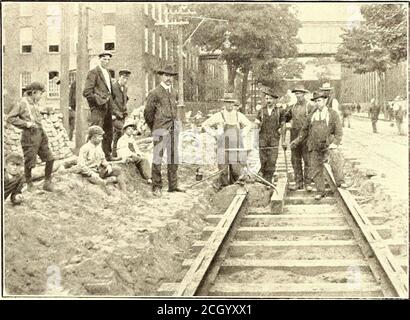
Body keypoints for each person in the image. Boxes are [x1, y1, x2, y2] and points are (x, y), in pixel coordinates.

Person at [290, 91, 345, 201]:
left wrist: (335, 143)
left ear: (325, 101)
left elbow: (339, 132)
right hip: (314, 145)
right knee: (316, 169)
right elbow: (304, 131)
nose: (317, 103)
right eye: (315, 101)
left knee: (336, 159)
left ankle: (340, 182)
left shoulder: (332, 114)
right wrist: (296, 141)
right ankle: (320, 191)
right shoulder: (312, 115)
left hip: (328, 144)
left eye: (319, 101)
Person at [7, 81, 55, 192]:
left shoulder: (35, 103)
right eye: (40, 94)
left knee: (50, 158)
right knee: (30, 162)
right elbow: (10, 118)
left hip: (40, 134)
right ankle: (29, 184)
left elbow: (35, 115)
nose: (41, 96)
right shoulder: (22, 103)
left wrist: (44, 111)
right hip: (30, 135)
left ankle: (47, 182)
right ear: (33, 92)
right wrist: (26, 124)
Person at [144, 64, 183, 197]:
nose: (169, 78)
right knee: (157, 157)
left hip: (173, 129)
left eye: (171, 76)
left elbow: (175, 111)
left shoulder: (175, 92)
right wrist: (155, 127)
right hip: (160, 129)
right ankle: (157, 186)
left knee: (173, 156)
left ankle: (173, 185)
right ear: (161, 76)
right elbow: (148, 113)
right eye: (166, 75)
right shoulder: (154, 93)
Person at [202, 93, 253, 190]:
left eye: (232, 103)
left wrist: (243, 133)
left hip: (236, 147)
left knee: (236, 169)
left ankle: (236, 189)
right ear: (224, 103)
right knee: (223, 170)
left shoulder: (238, 115)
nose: (230, 105)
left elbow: (249, 124)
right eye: (228, 103)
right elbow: (205, 125)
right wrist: (215, 133)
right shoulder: (219, 115)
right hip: (223, 147)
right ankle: (224, 190)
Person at [83, 51, 117, 160]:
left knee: (108, 131)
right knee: (95, 131)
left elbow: (110, 90)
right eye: (104, 59)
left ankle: (107, 155)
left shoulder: (108, 72)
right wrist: (98, 101)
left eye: (108, 59)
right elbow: (87, 92)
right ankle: (89, 157)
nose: (106, 61)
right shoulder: (93, 72)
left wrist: (110, 102)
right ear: (100, 59)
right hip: (98, 107)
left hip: (108, 106)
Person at [284, 85, 315, 191]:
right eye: (296, 93)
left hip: (307, 137)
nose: (298, 95)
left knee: (307, 160)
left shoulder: (310, 106)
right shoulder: (292, 107)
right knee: (295, 160)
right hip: (294, 135)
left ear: (304, 94)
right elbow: (284, 118)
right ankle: (298, 183)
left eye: (300, 93)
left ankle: (308, 183)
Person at [77, 126, 126, 190]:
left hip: (99, 171)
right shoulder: (85, 148)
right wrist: (91, 173)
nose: (102, 138)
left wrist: (108, 165)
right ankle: (109, 180)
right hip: (89, 174)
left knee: (118, 170)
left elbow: (103, 159)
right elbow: (81, 165)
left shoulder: (99, 147)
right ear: (93, 137)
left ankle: (124, 191)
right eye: (100, 137)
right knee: (101, 182)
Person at [254, 87, 286, 186]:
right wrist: (256, 126)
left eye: (270, 99)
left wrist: (283, 140)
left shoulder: (279, 111)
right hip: (263, 138)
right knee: (263, 159)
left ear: (274, 100)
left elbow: (283, 125)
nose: (268, 101)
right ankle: (265, 178)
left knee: (272, 159)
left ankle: (268, 179)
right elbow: (256, 124)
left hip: (274, 138)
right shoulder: (261, 111)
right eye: (267, 99)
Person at [117, 119, 152, 184]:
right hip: (125, 155)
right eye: (129, 129)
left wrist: (139, 153)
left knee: (146, 157)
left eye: (132, 129)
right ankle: (148, 178)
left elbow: (136, 148)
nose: (131, 131)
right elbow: (124, 150)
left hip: (133, 155)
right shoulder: (122, 139)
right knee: (143, 160)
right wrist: (133, 154)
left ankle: (147, 176)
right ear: (125, 130)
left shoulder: (131, 139)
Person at [111, 69, 131, 158]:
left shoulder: (125, 88)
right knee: (124, 130)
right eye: (123, 78)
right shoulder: (113, 86)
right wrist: (115, 113)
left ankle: (115, 154)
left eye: (127, 78)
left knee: (117, 135)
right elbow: (111, 102)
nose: (125, 80)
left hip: (122, 115)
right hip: (114, 116)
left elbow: (124, 100)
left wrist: (125, 111)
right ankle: (124, 153)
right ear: (119, 77)